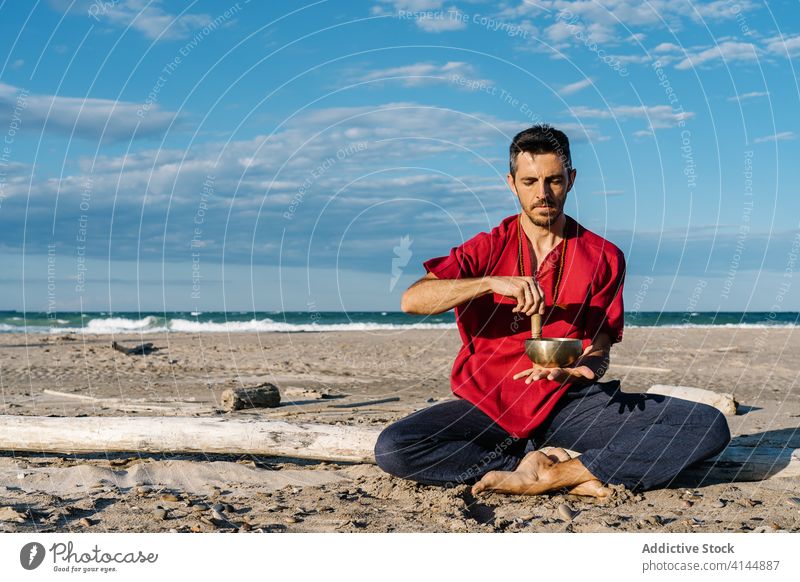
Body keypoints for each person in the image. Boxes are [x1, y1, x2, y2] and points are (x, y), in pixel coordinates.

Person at [374, 125, 730, 498]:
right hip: (489, 402)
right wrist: (490, 282)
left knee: (706, 425)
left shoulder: (605, 256)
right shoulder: (488, 247)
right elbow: (412, 300)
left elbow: (601, 344)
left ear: (571, 180)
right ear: (512, 183)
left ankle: (556, 475)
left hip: (569, 402)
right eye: (530, 182)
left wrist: (584, 369)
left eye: (554, 181)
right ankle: (530, 464)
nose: (542, 194)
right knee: (396, 447)